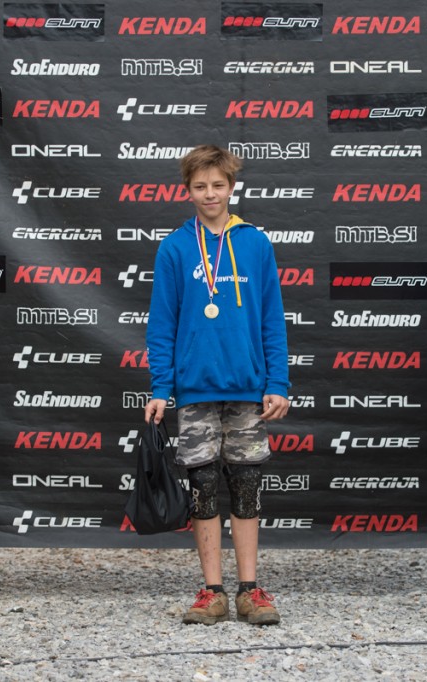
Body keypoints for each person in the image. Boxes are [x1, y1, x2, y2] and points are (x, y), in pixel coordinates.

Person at [144, 145, 291, 626]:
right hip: (195, 390)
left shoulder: (255, 243)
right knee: (203, 487)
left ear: (231, 187)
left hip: (248, 389)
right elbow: (162, 325)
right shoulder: (175, 247)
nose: (210, 194)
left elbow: (272, 319)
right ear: (188, 191)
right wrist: (161, 388)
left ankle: (249, 589)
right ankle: (212, 590)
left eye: (218, 185)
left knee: (246, 487)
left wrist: (277, 381)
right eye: (200, 186)